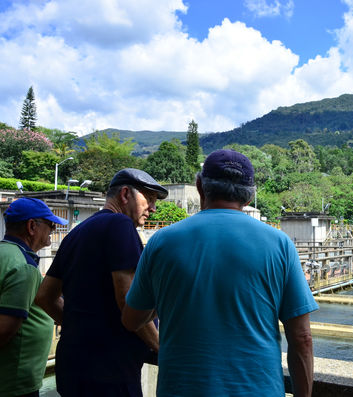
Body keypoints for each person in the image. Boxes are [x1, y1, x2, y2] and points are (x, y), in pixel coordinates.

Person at [122, 149, 319, 396]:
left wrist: (164, 293)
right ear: (248, 197)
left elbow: (131, 320)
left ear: (200, 187)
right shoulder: (279, 244)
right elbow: (302, 338)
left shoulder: (162, 242)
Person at [35, 168, 168, 397]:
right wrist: (163, 349)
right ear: (126, 194)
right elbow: (129, 304)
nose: (153, 208)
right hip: (110, 371)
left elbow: (45, 297)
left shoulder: (77, 233)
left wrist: (80, 326)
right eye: (149, 199)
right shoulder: (120, 226)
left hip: (72, 365)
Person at [0, 197, 68, 397]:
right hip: (14, 382)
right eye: (50, 225)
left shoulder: (5, 253)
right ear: (32, 226)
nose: (53, 231)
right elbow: (4, 330)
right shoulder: (23, 266)